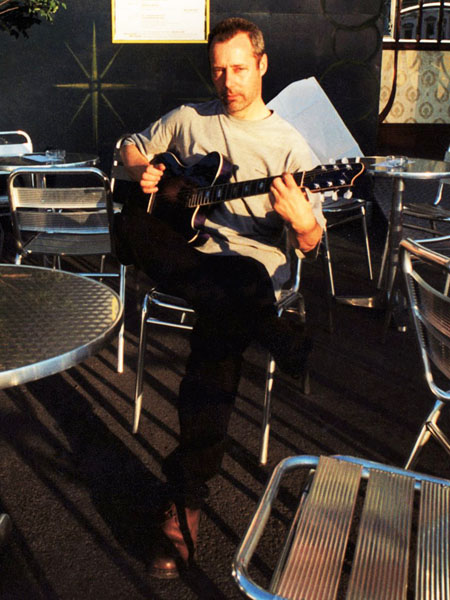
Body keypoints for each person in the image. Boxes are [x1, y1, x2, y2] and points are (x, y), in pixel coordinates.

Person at [115, 17, 325, 579]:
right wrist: (143, 172)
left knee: (233, 299)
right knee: (130, 227)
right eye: (218, 71)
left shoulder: (289, 146)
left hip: (240, 271)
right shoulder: (189, 120)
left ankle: (185, 501)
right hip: (186, 256)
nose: (227, 82)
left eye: (238, 69)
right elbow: (128, 148)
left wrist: (303, 225)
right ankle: (275, 333)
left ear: (261, 65)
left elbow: (310, 240)